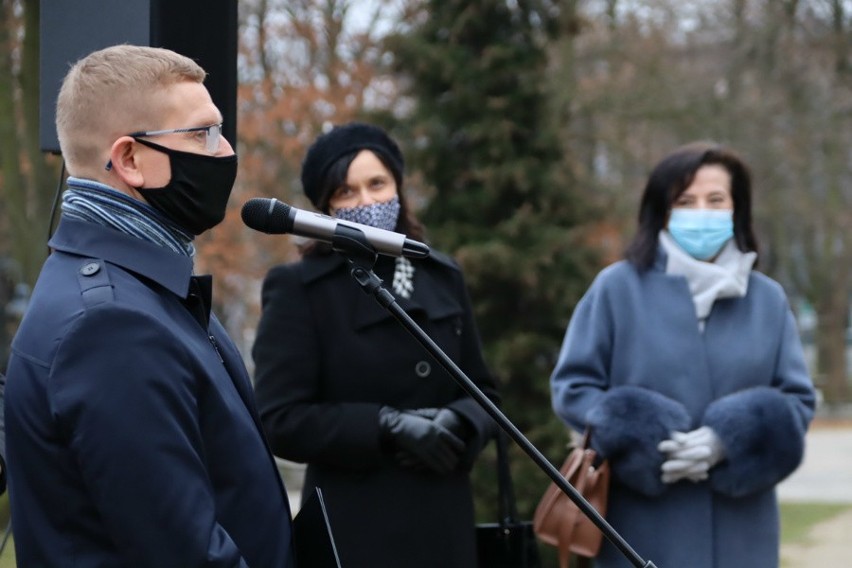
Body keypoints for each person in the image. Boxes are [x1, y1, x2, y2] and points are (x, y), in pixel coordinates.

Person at [4, 45, 295, 567]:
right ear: (130, 160)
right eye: (202, 134)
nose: (225, 151)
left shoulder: (143, 289)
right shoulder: (111, 324)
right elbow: (185, 552)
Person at [549, 142, 816, 568]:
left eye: (715, 200)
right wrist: (641, 435)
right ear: (663, 210)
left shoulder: (768, 299)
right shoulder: (616, 288)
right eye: (685, 201)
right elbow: (573, 388)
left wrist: (730, 438)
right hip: (638, 526)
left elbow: (798, 401)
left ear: (736, 208)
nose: (702, 212)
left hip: (742, 530)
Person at [252, 122, 499, 568]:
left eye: (377, 184)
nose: (366, 202)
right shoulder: (299, 288)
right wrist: (384, 425)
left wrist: (458, 421)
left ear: (399, 189)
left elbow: (485, 393)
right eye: (347, 192)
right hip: (354, 530)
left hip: (443, 524)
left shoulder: (442, 275)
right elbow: (280, 418)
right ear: (326, 205)